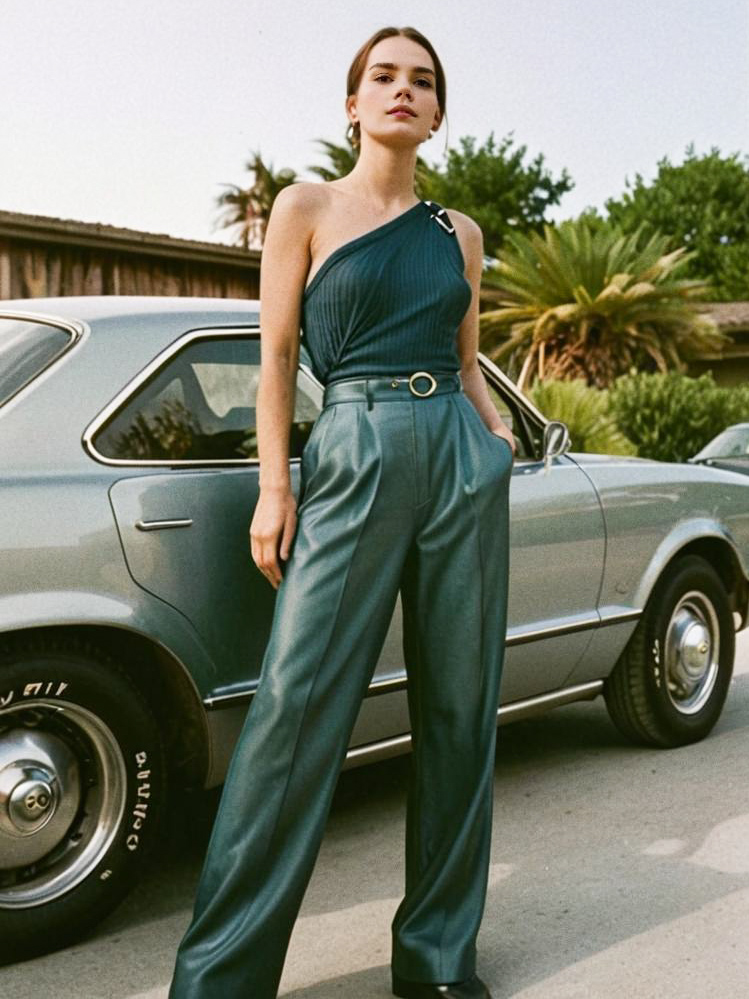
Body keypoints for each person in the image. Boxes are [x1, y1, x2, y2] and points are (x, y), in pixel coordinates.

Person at [168, 24, 515, 999]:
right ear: (353, 104)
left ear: (437, 113)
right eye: (382, 76)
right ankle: (220, 979)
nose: (401, 90)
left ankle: (438, 960)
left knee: (458, 711)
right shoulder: (305, 206)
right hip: (352, 446)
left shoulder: (458, 235)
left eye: (421, 81)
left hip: (455, 452)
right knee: (293, 712)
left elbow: (463, 356)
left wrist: (492, 441)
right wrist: (275, 483)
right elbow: (275, 356)